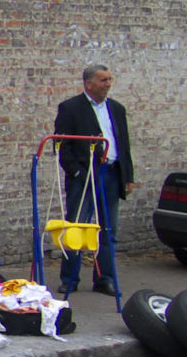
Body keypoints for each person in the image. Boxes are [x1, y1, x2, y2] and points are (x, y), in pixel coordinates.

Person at [53, 65, 135, 296]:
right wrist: (76, 173)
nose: (108, 84)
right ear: (89, 83)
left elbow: (124, 143)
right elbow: (62, 145)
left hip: (111, 173)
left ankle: (104, 278)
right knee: (76, 228)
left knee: (108, 229)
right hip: (84, 175)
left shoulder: (117, 109)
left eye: (110, 79)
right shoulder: (71, 108)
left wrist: (127, 176)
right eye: (103, 80)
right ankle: (69, 279)